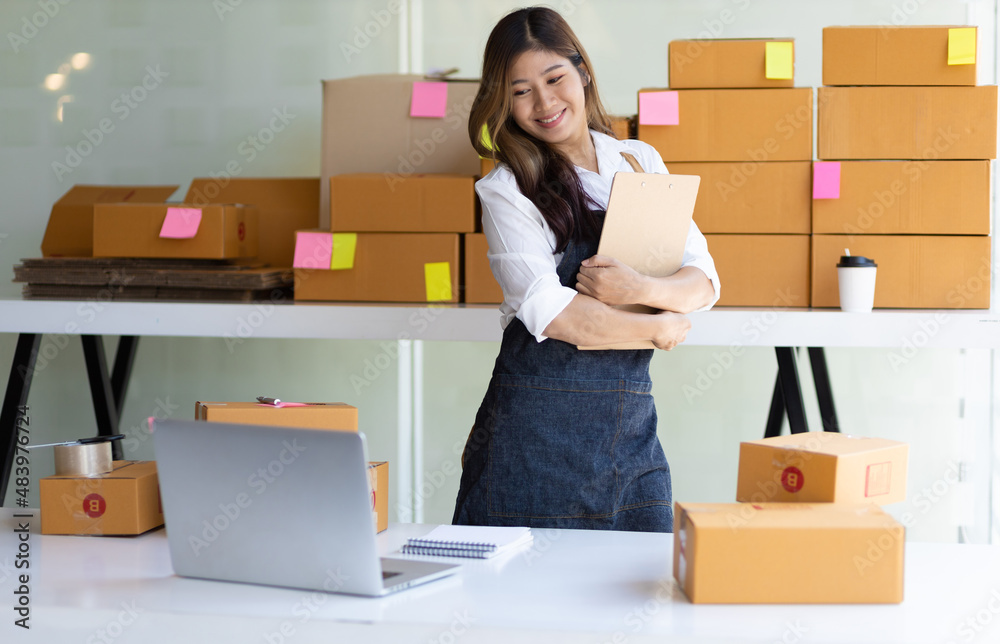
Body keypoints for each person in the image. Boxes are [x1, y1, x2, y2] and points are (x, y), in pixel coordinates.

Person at [452, 6, 720, 533]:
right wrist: (656, 327)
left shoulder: (639, 161)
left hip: (630, 433)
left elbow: (704, 279)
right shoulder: (507, 190)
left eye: (554, 79)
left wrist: (640, 288)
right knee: (529, 605)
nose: (545, 102)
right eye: (520, 90)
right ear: (501, 102)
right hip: (534, 439)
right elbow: (552, 314)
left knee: (637, 594)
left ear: (583, 72)